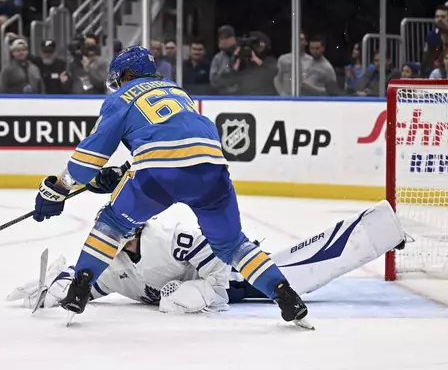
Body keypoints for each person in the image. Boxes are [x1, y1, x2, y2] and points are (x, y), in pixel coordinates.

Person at [31, 46, 310, 327]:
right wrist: (128, 170)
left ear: (127, 74)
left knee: (113, 224)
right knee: (233, 244)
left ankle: (80, 287)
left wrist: (58, 187)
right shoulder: (178, 91)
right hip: (211, 169)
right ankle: (284, 293)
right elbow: (179, 140)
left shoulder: (122, 98)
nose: (116, 85)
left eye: (118, 79)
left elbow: (89, 158)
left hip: (157, 175)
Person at [11, 200, 404, 313]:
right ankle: (379, 228)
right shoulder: (111, 270)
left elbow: (218, 260)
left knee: (299, 273)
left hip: (233, 273)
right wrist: (55, 290)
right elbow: (88, 290)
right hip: (219, 281)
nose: (106, 241)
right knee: (296, 272)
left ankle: (379, 228)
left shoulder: (171, 239)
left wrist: (204, 291)